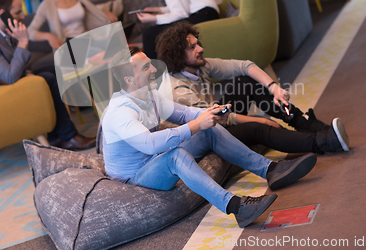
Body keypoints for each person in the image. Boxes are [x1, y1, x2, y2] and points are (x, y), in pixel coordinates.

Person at [100, 47, 318, 228]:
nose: (153, 68)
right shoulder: (120, 112)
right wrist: (195, 124)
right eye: (146, 67)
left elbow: (184, 113)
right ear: (129, 79)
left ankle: (271, 170)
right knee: (177, 155)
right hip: (136, 177)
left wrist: (210, 113)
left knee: (209, 128)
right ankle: (236, 207)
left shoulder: (149, 95)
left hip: (154, 158)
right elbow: (149, 144)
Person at [156, 22, 350, 153]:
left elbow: (245, 66)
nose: (201, 49)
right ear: (177, 57)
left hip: (215, 116)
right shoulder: (178, 89)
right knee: (257, 128)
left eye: (198, 43)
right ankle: (322, 142)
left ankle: (306, 124)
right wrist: (261, 121)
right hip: (203, 137)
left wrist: (274, 88)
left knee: (244, 83)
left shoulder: (201, 65)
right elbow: (213, 121)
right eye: (192, 48)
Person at [0, 0, 96, 151]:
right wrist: (23, 41)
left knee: (53, 71)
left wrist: (26, 72)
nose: (22, 16)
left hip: (5, 80)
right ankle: (68, 137)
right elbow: (10, 76)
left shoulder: (0, 30)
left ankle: (57, 137)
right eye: (18, 12)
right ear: (2, 14)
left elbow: (12, 65)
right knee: (47, 79)